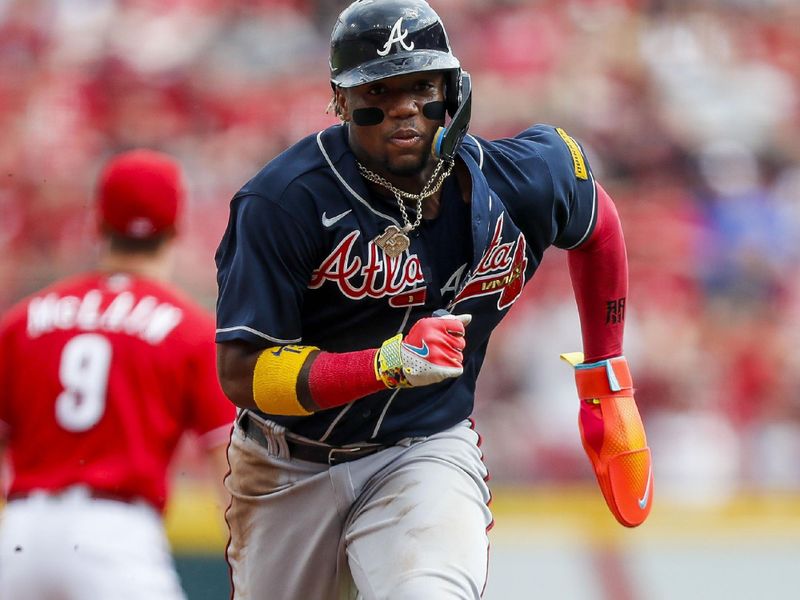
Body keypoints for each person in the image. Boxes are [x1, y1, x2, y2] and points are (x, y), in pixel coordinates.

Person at [215, 0, 654, 598]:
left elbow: (597, 221)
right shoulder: (283, 201)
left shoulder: (522, 179)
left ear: (453, 89)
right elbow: (243, 373)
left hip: (423, 447)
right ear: (340, 102)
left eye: (421, 86)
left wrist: (608, 375)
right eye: (378, 91)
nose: (403, 109)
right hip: (289, 463)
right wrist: (386, 363)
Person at [0, 149, 237, 599]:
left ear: (98, 223)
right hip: (117, 535)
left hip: (20, 535)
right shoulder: (189, 329)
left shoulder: (23, 319)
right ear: (177, 227)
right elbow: (227, 468)